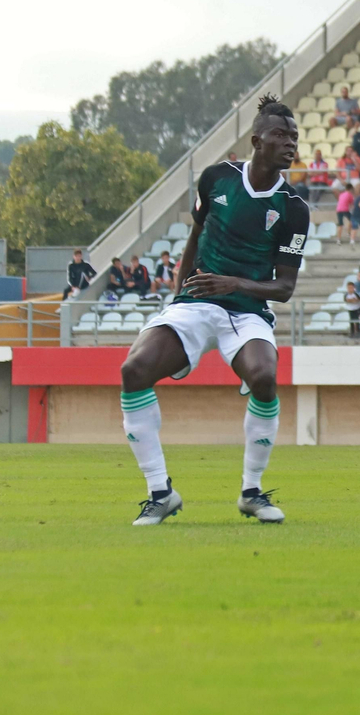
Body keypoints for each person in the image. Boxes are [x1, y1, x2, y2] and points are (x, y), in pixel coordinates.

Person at [119, 95, 307, 527]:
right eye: (281, 135)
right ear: (257, 139)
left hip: (247, 311)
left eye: (294, 137)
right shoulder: (216, 178)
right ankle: (160, 493)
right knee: (134, 370)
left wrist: (234, 284)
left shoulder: (294, 209)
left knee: (263, 377)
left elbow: (284, 288)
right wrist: (181, 290)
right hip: (197, 301)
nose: (290, 143)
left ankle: (251, 492)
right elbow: (197, 233)